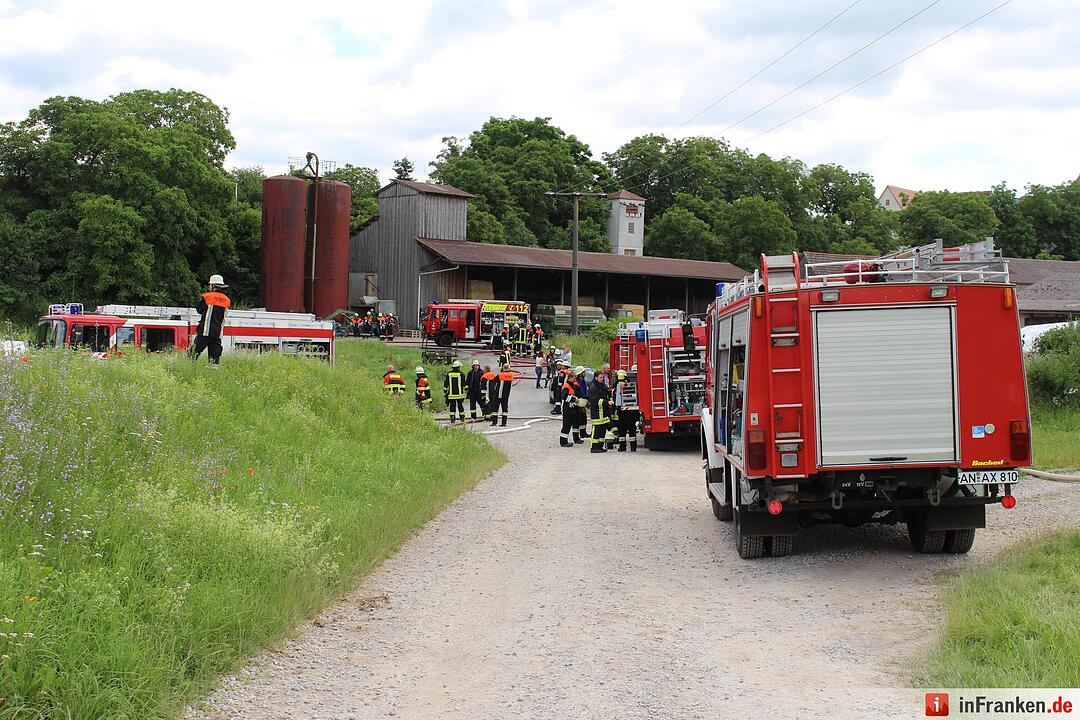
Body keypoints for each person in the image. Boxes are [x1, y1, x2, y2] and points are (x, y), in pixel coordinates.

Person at [193, 274, 231, 365]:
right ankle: (213, 374)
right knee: (214, 358)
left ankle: (186, 370)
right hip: (217, 334)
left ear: (213, 286)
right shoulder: (227, 300)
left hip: (204, 332)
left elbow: (199, 310)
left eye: (210, 285)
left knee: (193, 354)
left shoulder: (207, 297)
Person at [613, 369, 640, 452]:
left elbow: (615, 402)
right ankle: (633, 447)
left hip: (621, 412)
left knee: (622, 430)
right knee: (632, 429)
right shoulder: (631, 385)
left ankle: (622, 447)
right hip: (631, 411)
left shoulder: (615, 388)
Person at [589, 369, 612, 453]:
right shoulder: (593, 387)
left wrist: (610, 397)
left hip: (604, 413)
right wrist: (607, 402)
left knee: (602, 431)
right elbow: (595, 400)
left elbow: (606, 394)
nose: (602, 379)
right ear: (595, 378)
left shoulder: (602, 385)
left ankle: (600, 446)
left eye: (602, 377)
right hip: (597, 413)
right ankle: (594, 447)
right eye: (600, 377)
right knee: (596, 431)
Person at [558, 365, 583, 447]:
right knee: (567, 425)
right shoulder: (566, 386)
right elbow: (564, 397)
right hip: (567, 409)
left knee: (576, 423)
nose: (575, 379)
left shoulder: (573, 385)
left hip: (574, 408)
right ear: (569, 378)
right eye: (573, 378)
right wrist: (573, 399)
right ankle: (563, 442)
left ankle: (576, 438)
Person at [491, 362, 514, 427]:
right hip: (506, 395)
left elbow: (494, 380)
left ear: (503, 368)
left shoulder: (500, 375)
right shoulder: (511, 375)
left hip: (499, 394)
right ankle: (504, 423)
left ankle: (494, 422)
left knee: (495, 408)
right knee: (505, 409)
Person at [444, 359, 467, 423]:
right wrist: (466, 390)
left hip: (451, 395)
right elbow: (464, 385)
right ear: (459, 367)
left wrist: (445, 392)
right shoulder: (461, 374)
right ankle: (462, 418)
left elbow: (446, 384)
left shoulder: (449, 374)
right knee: (460, 406)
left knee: (452, 406)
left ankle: (452, 418)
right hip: (459, 395)